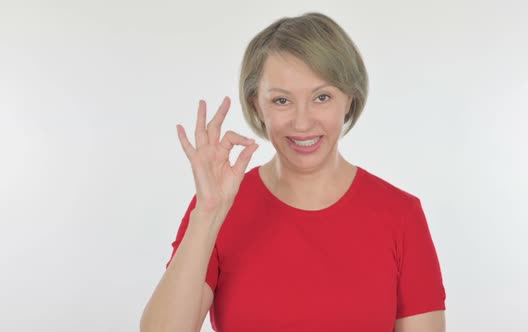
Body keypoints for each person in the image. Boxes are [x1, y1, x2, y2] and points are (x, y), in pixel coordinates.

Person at [141, 12, 446, 332]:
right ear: (257, 105)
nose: (302, 123)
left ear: (349, 99)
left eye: (322, 97)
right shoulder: (217, 208)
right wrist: (208, 214)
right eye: (282, 100)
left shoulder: (401, 215)